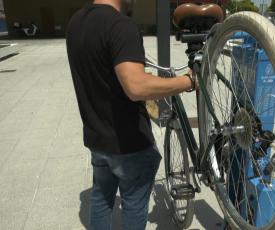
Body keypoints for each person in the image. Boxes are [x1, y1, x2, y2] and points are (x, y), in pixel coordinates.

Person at [66, 0, 196, 229]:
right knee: (134, 204)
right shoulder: (120, 25)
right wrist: (187, 81)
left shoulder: (75, 23)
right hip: (129, 145)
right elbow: (136, 86)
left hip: (98, 139)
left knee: (100, 198)